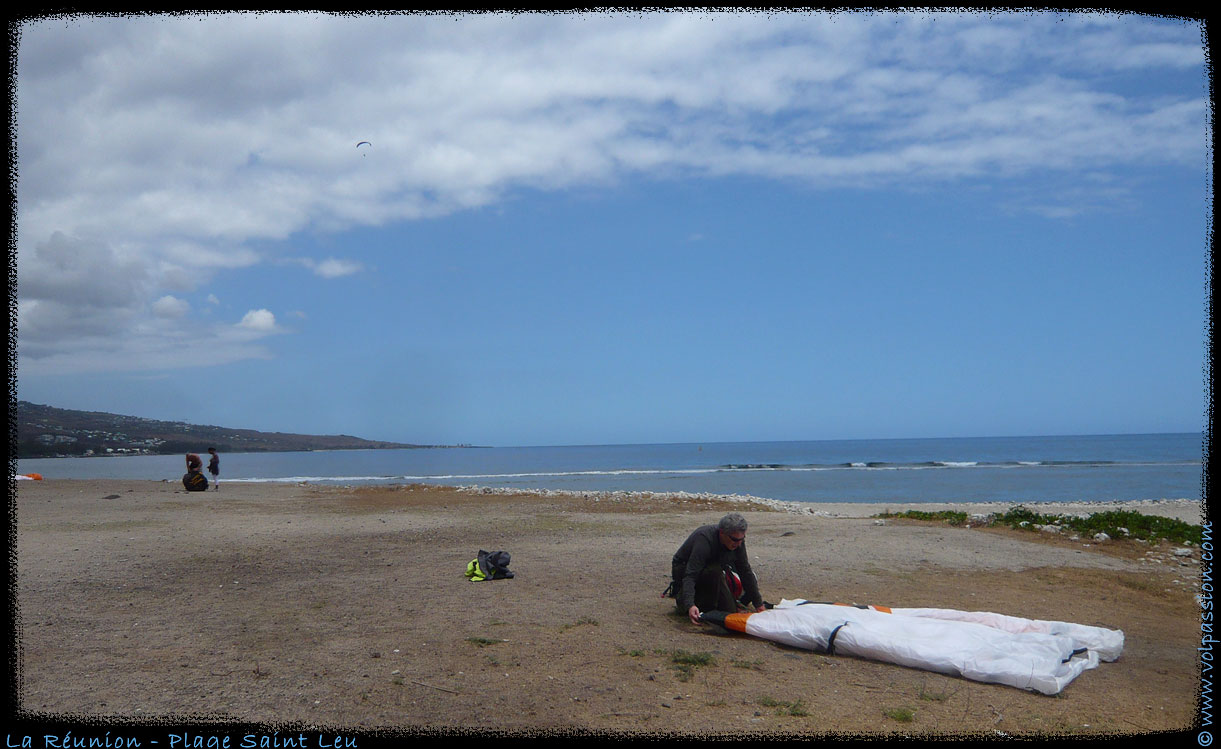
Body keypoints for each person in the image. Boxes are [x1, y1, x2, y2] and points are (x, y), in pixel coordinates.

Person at [670, 512, 766, 625]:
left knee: (748, 579)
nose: (738, 544)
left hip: (716, 567)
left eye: (742, 539)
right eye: (735, 539)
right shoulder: (705, 539)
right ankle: (690, 602)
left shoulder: (737, 541)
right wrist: (690, 605)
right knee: (715, 573)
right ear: (722, 533)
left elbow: (745, 570)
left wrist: (759, 604)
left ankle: (725, 602)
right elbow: (691, 574)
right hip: (684, 568)